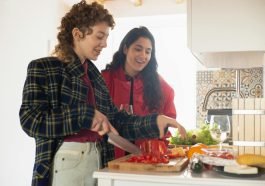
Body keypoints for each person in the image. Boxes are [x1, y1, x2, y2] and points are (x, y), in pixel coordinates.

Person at [19, 1, 186, 186]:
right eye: (100, 36)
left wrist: (155, 121)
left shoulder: (95, 76)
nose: (105, 44)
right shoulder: (44, 67)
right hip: (65, 165)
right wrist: (85, 116)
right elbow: (31, 121)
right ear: (77, 34)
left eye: (106, 37)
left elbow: (116, 121)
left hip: (98, 160)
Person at [101, 26, 177, 159]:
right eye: (138, 49)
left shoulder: (161, 86)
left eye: (148, 52)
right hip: (109, 160)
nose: (143, 56)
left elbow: (166, 125)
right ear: (125, 49)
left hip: (146, 161)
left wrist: (158, 155)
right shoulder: (104, 80)